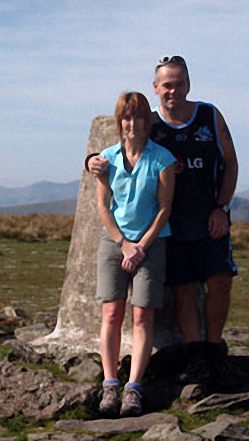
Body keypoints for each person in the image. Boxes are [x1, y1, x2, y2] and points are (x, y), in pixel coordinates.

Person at [88, 56, 239, 384]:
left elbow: (231, 162)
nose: (173, 90)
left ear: (188, 85)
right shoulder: (151, 124)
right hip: (172, 226)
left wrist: (221, 208)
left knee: (219, 281)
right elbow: (120, 145)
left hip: (208, 217)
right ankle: (195, 354)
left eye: (179, 83)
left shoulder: (209, 117)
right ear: (156, 88)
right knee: (183, 289)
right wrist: (90, 160)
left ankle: (214, 352)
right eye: (167, 85)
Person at [95, 92, 176, 417]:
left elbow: (164, 209)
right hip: (114, 245)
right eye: (126, 118)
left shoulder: (163, 160)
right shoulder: (107, 158)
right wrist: (123, 243)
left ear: (147, 122)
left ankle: (133, 389)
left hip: (152, 245)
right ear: (120, 123)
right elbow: (102, 206)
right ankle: (110, 384)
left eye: (138, 117)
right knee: (111, 314)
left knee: (143, 316)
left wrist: (141, 245)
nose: (132, 124)